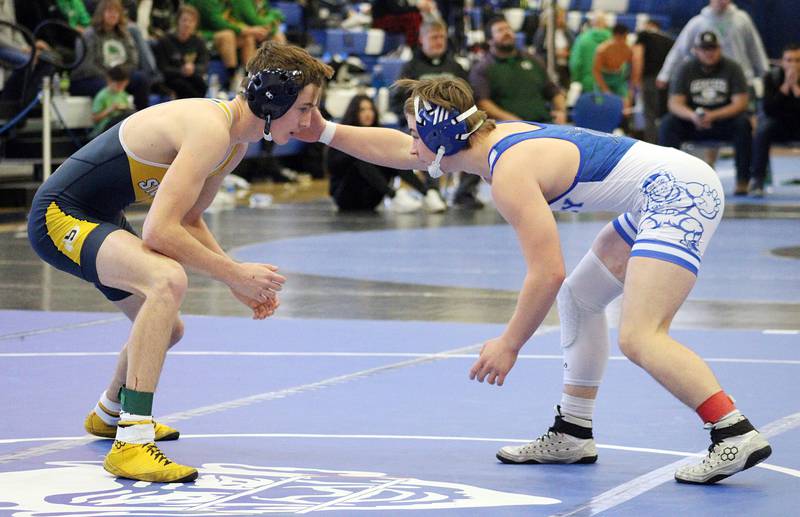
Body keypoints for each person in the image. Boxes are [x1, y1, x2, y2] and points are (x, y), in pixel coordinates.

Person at [296, 76, 773, 485]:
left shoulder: (509, 173)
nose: (410, 141)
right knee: (581, 300)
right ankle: (573, 432)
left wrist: (509, 342)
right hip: (665, 191)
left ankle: (732, 432)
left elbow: (547, 270)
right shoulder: (484, 140)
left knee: (640, 336)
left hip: (677, 195)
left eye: (416, 131)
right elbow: (402, 151)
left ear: (443, 140)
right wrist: (326, 130)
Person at [28, 41, 332, 483]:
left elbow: (188, 220)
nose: (309, 122)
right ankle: (132, 444)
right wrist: (233, 272)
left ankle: (109, 413)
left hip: (97, 216)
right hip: (59, 214)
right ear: (273, 101)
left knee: (168, 325)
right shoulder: (210, 130)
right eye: (304, 108)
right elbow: (158, 231)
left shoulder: (233, 144)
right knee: (166, 281)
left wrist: (236, 281)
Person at [658, 31, 751, 196]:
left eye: (713, 48)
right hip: (693, 122)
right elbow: (674, 103)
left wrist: (713, 115)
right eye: (704, 49)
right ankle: (667, 179)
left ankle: (743, 181)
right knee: (668, 123)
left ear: (720, 49)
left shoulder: (732, 68)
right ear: (696, 50)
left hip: (723, 121)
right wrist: (693, 116)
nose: (709, 52)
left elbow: (740, 103)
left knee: (743, 123)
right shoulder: (685, 68)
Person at [391, 19, 471, 210]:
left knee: (475, 135)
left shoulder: (456, 68)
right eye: (434, 37)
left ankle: (465, 193)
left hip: (454, 124)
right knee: (427, 138)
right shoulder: (411, 68)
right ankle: (432, 191)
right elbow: (396, 101)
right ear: (422, 39)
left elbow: (469, 99)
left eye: (442, 37)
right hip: (420, 124)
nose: (439, 41)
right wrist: (413, 122)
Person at [328, 94, 431, 212]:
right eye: (362, 110)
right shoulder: (342, 134)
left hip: (373, 196)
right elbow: (332, 167)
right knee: (360, 156)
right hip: (346, 194)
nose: (368, 113)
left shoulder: (380, 131)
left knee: (394, 155)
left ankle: (427, 194)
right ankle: (395, 196)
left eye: (370, 109)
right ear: (354, 112)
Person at [470, 15, 566, 124]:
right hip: (510, 129)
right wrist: (514, 121)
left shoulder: (533, 59)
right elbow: (483, 103)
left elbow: (553, 90)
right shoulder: (482, 68)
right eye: (500, 30)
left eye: (508, 29)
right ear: (489, 40)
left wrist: (561, 111)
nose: (507, 32)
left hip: (545, 124)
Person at [656, 0, 768, 88]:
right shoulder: (698, 23)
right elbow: (679, 50)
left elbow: (755, 48)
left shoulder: (742, 19)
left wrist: (765, 73)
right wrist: (665, 75)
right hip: (708, 82)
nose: (721, 1)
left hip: (740, 80)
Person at [69, 0, 151, 110]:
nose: (113, 15)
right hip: (89, 78)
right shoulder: (89, 34)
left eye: (116, 12)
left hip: (117, 76)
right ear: (101, 13)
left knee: (141, 79)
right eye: (109, 11)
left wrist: (121, 76)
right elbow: (87, 66)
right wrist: (111, 78)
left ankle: (140, 118)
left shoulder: (124, 34)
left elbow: (133, 61)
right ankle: (110, 121)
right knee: (108, 87)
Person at [750, 43, 800, 197]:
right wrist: (786, 87)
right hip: (779, 125)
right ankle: (757, 180)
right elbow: (769, 110)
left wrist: (796, 90)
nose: (793, 64)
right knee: (763, 129)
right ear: (782, 62)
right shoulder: (771, 77)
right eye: (789, 60)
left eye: (797, 60)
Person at [154, 4, 209, 99]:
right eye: (184, 20)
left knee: (202, 85)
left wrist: (193, 68)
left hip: (192, 75)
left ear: (195, 24)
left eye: (191, 21)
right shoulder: (165, 41)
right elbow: (162, 67)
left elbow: (204, 64)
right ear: (177, 21)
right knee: (183, 86)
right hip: (171, 77)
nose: (187, 24)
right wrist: (181, 71)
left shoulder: (199, 42)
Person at [632, 19, 674, 144]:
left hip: (649, 79)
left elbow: (637, 57)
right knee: (664, 115)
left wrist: (636, 80)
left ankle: (651, 145)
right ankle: (666, 143)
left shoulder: (644, 36)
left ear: (648, 26)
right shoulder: (669, 40)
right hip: (666, 81)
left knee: (649, 115)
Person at [90, 64, 135, 138]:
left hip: (119, 127)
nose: (120, 87)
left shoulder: (123, 94)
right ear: (109, 81)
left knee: (132, 114)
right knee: (127, 116)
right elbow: (95, 118)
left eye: (122, 85)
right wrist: (111, 109)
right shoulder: (102, 95)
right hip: (105, 128)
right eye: (118, 84)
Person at [592, 23, 632, 103]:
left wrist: (631, 87)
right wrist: (605, 89)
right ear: (616, 36)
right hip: (603, 77)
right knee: (600, 103)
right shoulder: (602, 50)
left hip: (618, 78)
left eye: (625, 38)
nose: (624, 40)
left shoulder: (627, 49)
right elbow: (596, 71)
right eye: (623, 38)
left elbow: (631, 66)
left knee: (626, 102)